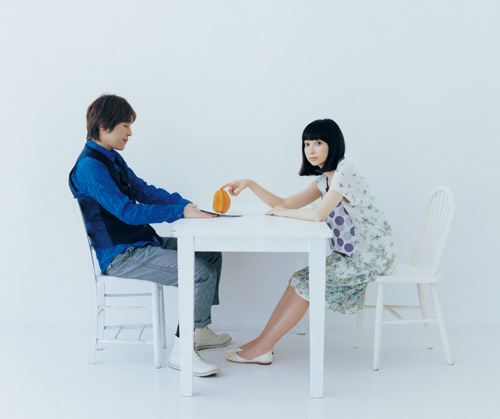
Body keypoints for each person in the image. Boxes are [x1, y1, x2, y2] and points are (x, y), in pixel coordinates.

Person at [69, 94, 231, 376]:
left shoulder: (112, 158)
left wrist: (187, 206)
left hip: (141, 243)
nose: (130, 132)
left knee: (210, 254)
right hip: (121, 254)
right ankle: (182, 352)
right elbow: (127, 212)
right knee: (200, 272)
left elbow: (144, 191)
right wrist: (179, 212)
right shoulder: (89, 167)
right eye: (125, 125)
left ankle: (199, 330)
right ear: (105, 126)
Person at [222, 118, 396, 365]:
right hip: (351, 254)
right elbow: (283, 203)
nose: (311, 150)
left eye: (318, 143)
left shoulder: (345, 172)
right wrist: (250, 184)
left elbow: (317, 214)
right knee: (298, 279)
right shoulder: (325, 179)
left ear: (332, 144)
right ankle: (263, 342)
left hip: (371, 256)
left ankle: (263, 347)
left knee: (306, 283)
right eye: (306, 144)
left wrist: (284, 213)